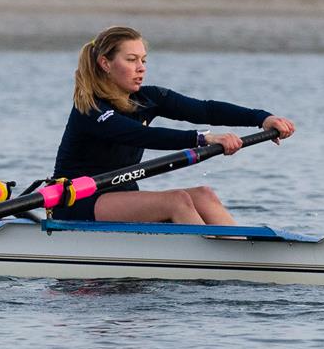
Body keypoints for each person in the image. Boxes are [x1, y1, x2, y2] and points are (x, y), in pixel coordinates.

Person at [50, 26, 294, 223]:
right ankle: (215, 264)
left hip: (121, 196)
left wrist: (262, 118)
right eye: (132, 59)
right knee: (176, 200)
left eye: (143, 60)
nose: (141, 68)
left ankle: (242, 253)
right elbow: (141, 135)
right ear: (105, 64)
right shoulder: (91, 108)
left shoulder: (149, 98)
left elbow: (206, 109)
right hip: (78, 201)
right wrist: (203, 138)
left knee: (204, 195)